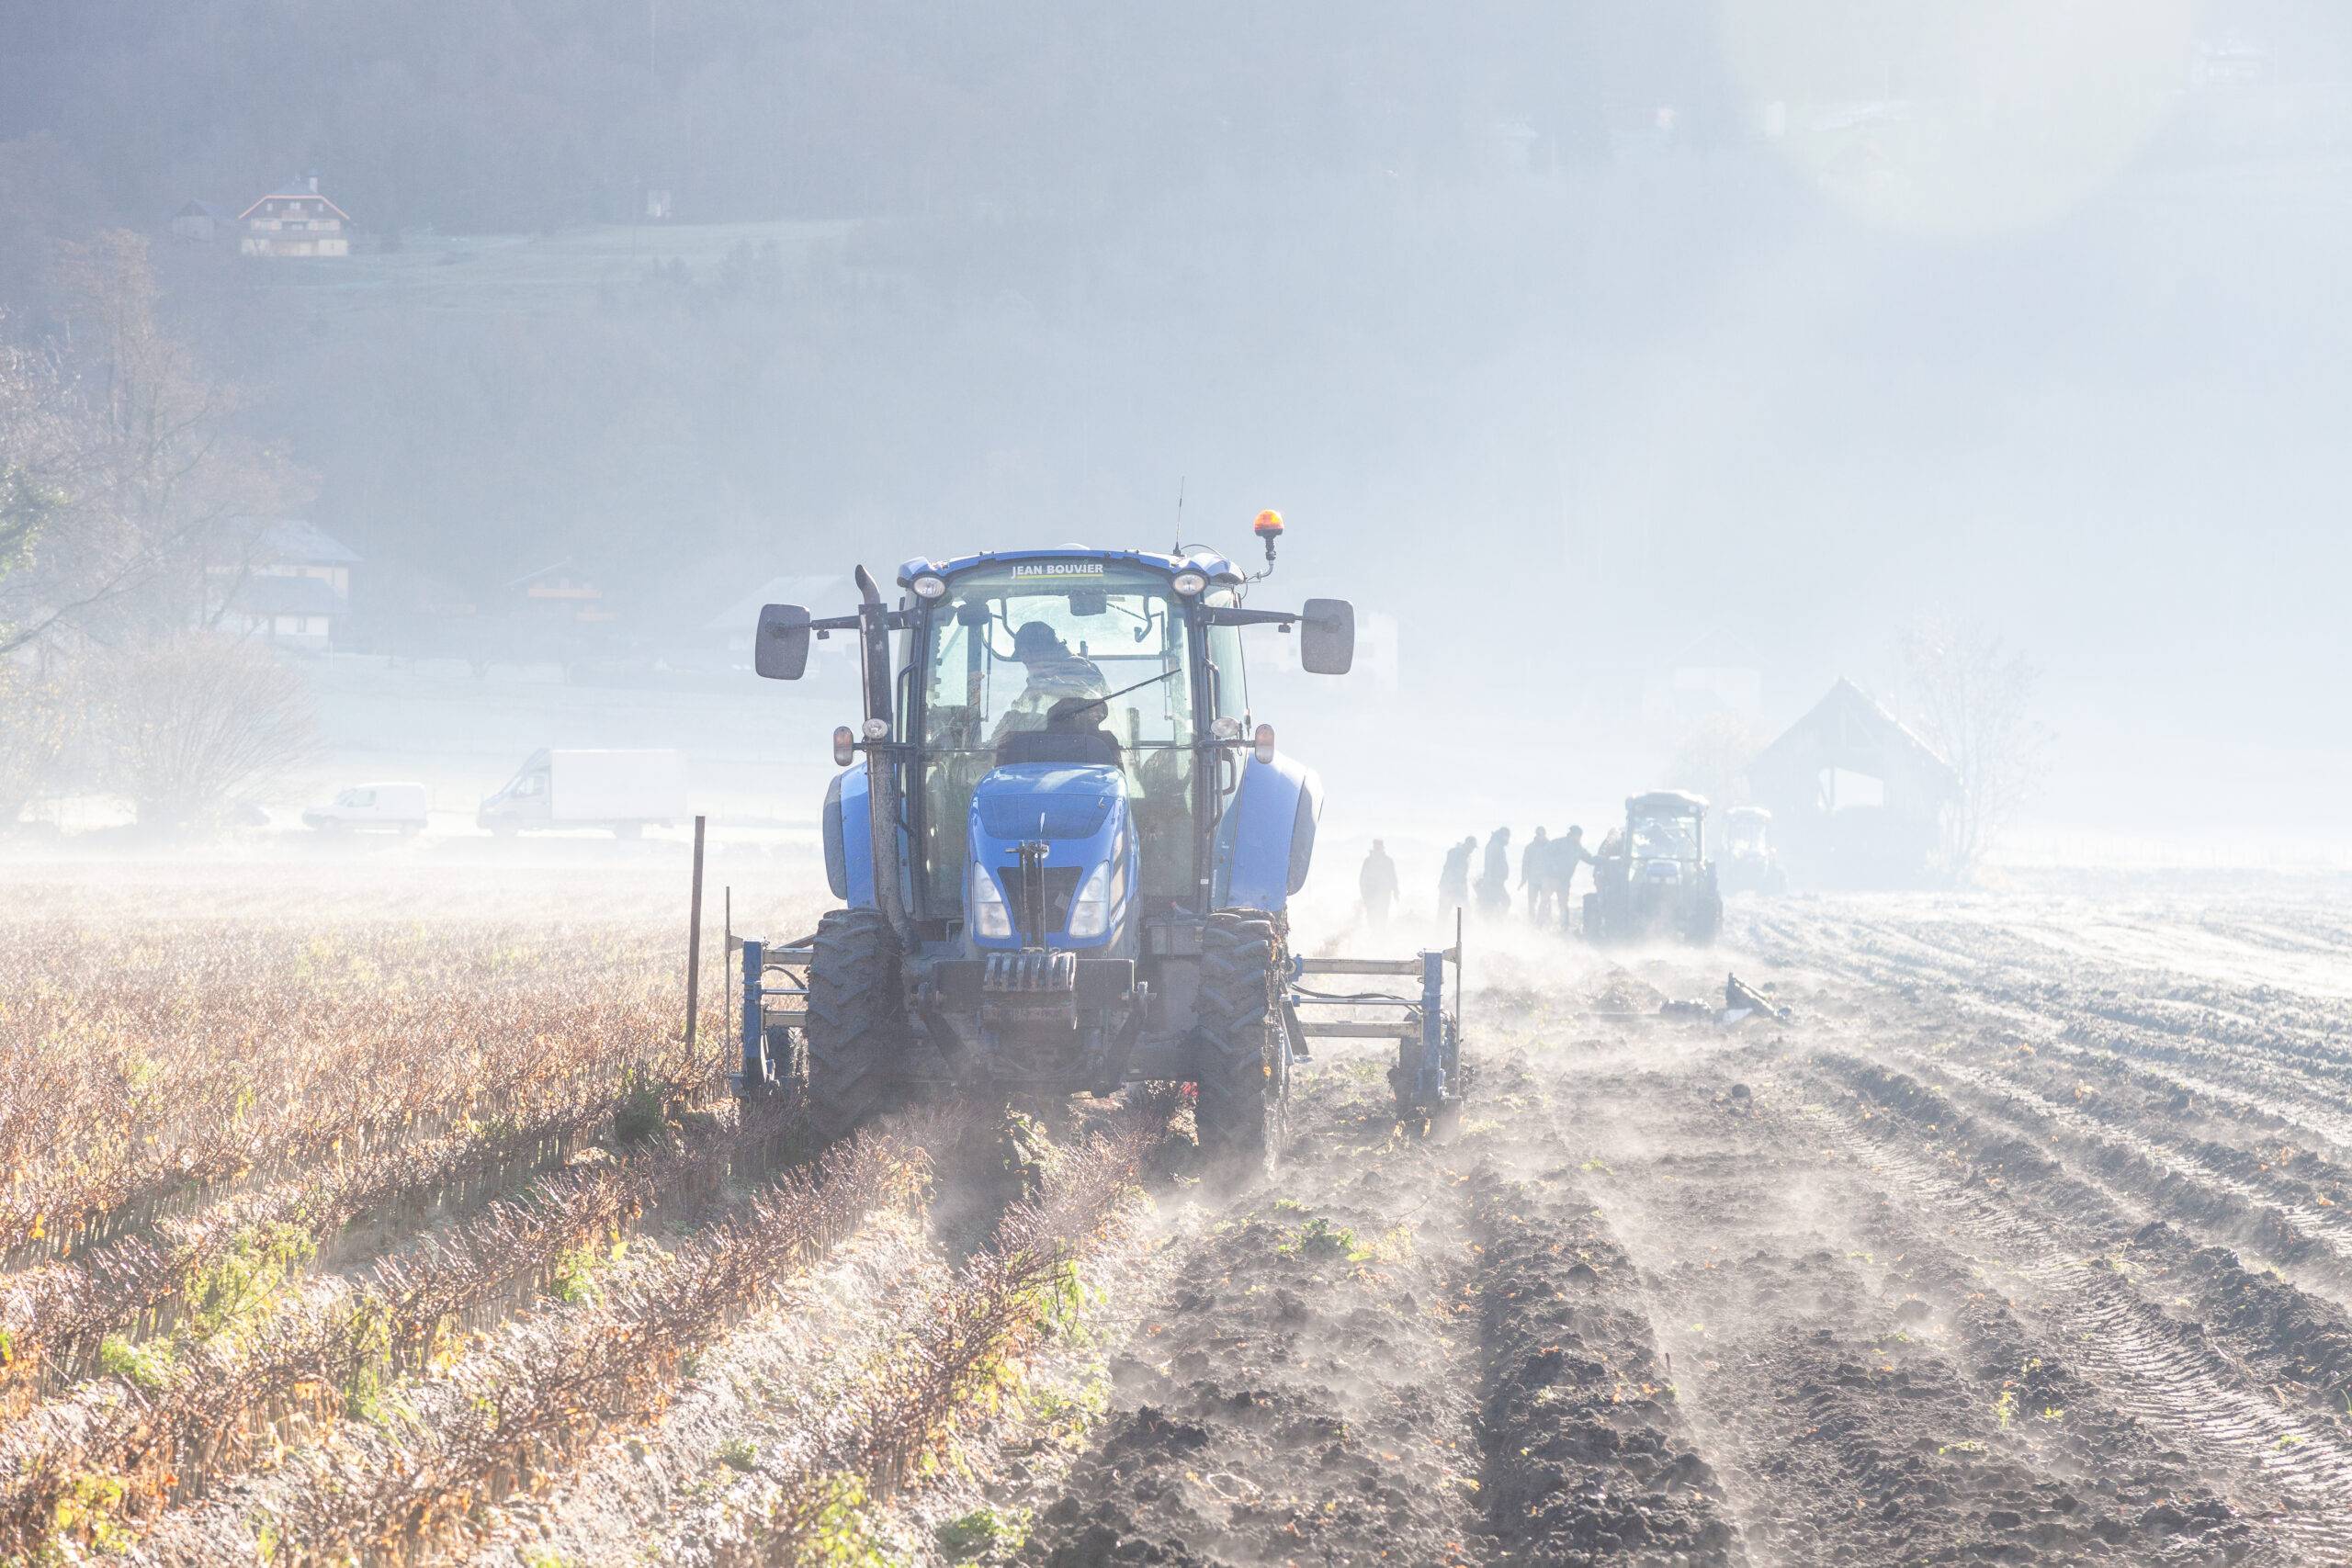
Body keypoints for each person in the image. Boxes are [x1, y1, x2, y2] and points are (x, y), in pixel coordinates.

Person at [1359, 840, 1399, 930]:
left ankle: (1380, 934)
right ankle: (1375, 933)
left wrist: (1396, 891)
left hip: (1383, 895)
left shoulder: (1387, 861)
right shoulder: (1368, 861)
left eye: (1379, 847)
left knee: (1382, 915)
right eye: (1376, 846)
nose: (1377, 849)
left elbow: (1393, 877)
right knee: (1372, 916)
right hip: (1371, 895)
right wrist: (1364, 893)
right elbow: (1362, 879)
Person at [1521, 826, 1553, 923]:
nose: (1540, 836)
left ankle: (1546, 922)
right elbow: (1525, 863)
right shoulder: (1530, 847)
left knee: (1546, 902)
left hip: (1546, 880)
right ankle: (1531, 922)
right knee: (1532, 903)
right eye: (1538, 834)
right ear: (1536, 834)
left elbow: (1555, 862)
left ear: (1544, 834)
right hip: (1533, 880)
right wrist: (1524, 878)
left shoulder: (1551, 846)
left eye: (1541, 834)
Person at [1477, 827, 1512, 914]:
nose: (1508, 839)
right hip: (1493, 881)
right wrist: (1489, 878)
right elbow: (1489, 862)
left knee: (1496, 902)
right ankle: (1496, 921)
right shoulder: (1495, 845)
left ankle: (1495, 921)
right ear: (1502, 836)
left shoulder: (1498, 845)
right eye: (1506, 836)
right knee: (1505, 901)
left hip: (1497, 881)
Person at [1438, 836, 1475, 913]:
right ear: (1467, 845)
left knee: (1463, 911)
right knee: (1445, 910)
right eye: (1472, 847)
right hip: (1450, 887)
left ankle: (1463, 924)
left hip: (1454, 887)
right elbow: (1451, 871)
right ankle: (1441, 925)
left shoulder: (1464, 856)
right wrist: (1455, 886)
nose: (1472, 850)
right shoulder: (1457, 854)